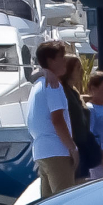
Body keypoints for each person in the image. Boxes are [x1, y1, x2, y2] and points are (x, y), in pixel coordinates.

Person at [27, 40, 77, 197]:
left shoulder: (39, 84)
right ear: (50, 61)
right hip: (57, 151)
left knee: (47, 204)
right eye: (61, 57)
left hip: (42, 152)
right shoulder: (53, 85)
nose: (65, 60)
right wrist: (72, 148)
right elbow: (57, 120)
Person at [62, 51, 103, 179]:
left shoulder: (72, 90)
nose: (81, 72)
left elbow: (79, 102)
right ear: (68, 70)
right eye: (78, 68)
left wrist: (95, 98)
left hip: (83, 146)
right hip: (74, 147)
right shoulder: (62, 91)